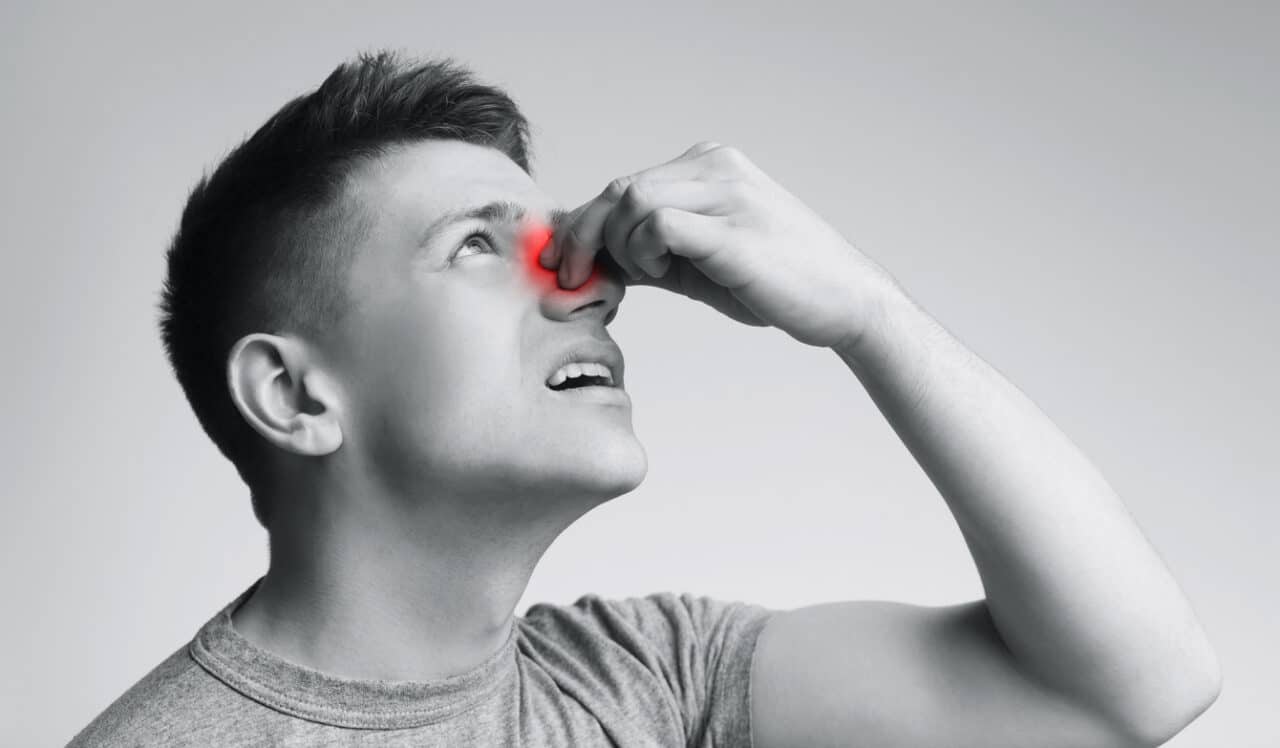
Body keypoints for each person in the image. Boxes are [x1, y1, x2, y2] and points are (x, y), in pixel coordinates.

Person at [68, 50, 1221, 747]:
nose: (588, 287)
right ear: (292, 392)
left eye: (555, 241)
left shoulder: (647, 679)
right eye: (477, 245)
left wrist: (864, 314)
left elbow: (1128, 692)